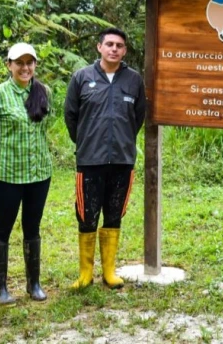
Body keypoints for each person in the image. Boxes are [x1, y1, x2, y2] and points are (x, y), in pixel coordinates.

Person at [64, 28, 145, 289]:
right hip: (90, 160)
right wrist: (88, 141)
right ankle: (85, 274)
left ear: (124, 51)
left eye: (119, 45)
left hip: (122, 160)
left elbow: (138, 117)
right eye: (109, 44)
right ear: (99, 47)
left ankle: (109, 272)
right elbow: (71, 116)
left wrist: (121, 140)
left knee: (113, 215)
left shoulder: (134, 80)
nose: (114, 49)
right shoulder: (82, 78)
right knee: (87, 215)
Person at [0, 43, 52, 304]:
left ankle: (34, 284)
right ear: (8, 65)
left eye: (29, 62)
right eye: (19, 62)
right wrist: (8, 153)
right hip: (8, 175)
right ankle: (1, 289)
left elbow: (46, 128)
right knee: (3, 228)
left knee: (32, 228)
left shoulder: (45, 92)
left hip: (39, 174)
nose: (25, 67)